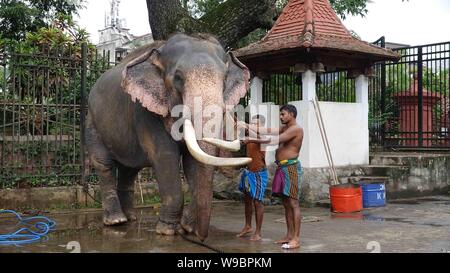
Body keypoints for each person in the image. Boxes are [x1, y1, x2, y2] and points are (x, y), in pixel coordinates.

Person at [239, 105, 304, 249]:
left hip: (291, 167)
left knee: (293, 204)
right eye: (280, 115)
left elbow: (273, 141)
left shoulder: (296, 129)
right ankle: (289, 235)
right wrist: (243, 123)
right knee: (286, 203)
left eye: (283, 114)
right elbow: (265, 131)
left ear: (292, 114)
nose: (280, 117)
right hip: (282, 167)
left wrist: (252, 140)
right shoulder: (285, 128)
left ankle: (296, 239)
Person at [236, 115, 269, 242]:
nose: (252, 126)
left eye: (256, 124)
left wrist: (249, 137)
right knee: (247, 200)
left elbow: (265, 140)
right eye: (251, 124)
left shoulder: (262, 137)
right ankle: (248, 226)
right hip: (248, 172)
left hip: (259, 174)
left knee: (257, 202)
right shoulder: (250, 137)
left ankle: (258, 232)